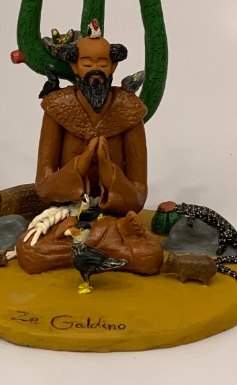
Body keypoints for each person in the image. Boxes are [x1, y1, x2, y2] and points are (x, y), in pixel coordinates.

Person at [15, 30, 163, 275]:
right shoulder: (57, 107)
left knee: (150, 256)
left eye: (102, 63)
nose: (95, 70)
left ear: (113, 66)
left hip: (111, 217)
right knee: (30, 252)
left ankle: (95, 244)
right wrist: (80, 165)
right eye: (87, 63)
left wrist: (108, 170)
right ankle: (104, 243)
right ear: (74, 66)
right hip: (71, 214)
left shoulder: (129, 110)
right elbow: (44, 186)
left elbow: (138, 195)